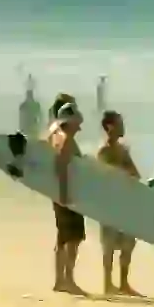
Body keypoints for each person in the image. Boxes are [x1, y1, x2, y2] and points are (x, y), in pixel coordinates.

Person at [96, 111, 142, 296]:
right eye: (120, 124)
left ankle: (123, 283)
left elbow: (135, 174)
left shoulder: (123, 150)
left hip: (125, 202)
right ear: (110, 127)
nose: (123, 127)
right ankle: (108, 284)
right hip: (109, 203)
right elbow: (105, 176)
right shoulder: (103, 151)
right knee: (109, 246)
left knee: (128, 244)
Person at [46, 96, 86, 295]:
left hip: (58, 192)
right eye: (77, 123)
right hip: (67, 194)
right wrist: (65, 194)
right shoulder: (66, 139)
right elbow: (61, 165)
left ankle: (60, 280)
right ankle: (68, 280)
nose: (79, 127)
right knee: (73, 238)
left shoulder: (54, 134)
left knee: (63, 238)